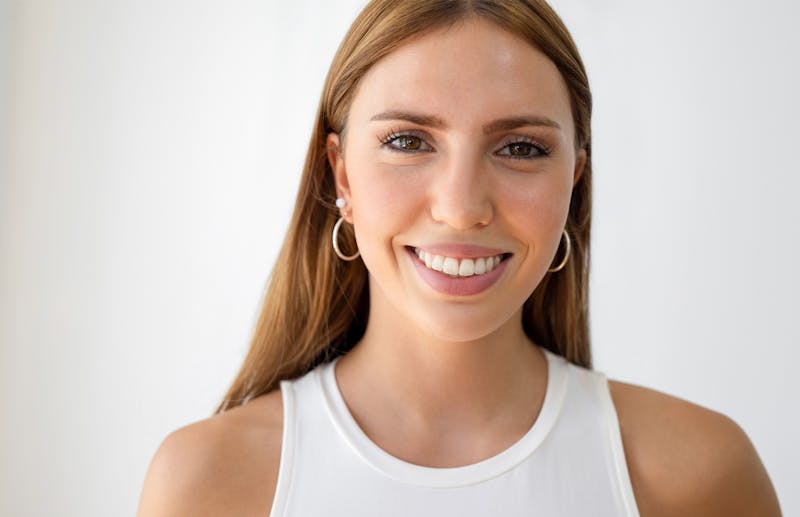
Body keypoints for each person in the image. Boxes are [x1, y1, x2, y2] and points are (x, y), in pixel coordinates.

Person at [137, 1, 782, 515]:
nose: (461, 206)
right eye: (408, 140)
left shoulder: (698, 477)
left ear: (573, 184)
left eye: (522, 148)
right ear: (342, 176)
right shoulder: (208, 485)